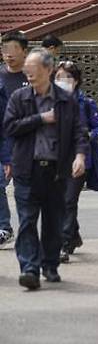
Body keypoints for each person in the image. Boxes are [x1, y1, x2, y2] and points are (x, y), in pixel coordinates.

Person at [4, 48, 87, 290]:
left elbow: (79, 131)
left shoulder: (65, 99)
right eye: (27, 69)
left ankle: (50, 265)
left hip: (56, 171)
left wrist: (80, 156)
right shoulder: (20, 98)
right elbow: (9, 127)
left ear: (48, 70)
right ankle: (29, 268)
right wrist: (40, 118)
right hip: (27, 170)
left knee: (53, 221)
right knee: (28, 221)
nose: (29, 73)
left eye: (34, 69)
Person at [54, 61, 98, 263]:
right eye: (58, 78)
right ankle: (73, 234)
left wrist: (88, 135)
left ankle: (63, 244)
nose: (61, 82)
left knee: (68, 200)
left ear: (76, 81)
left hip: (79, 159)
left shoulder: (86, 103)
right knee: (59, 201)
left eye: (66, 78)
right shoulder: (48, 102)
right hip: (54, 159)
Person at [0, 31, 29, 249]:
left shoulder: (32, 77)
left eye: (13, 50)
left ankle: (28, 231)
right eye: (4, 50)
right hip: (2, 139)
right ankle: (4, 227)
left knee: (25, 191)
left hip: (27, 141)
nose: (8, 55)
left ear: (24, 52)